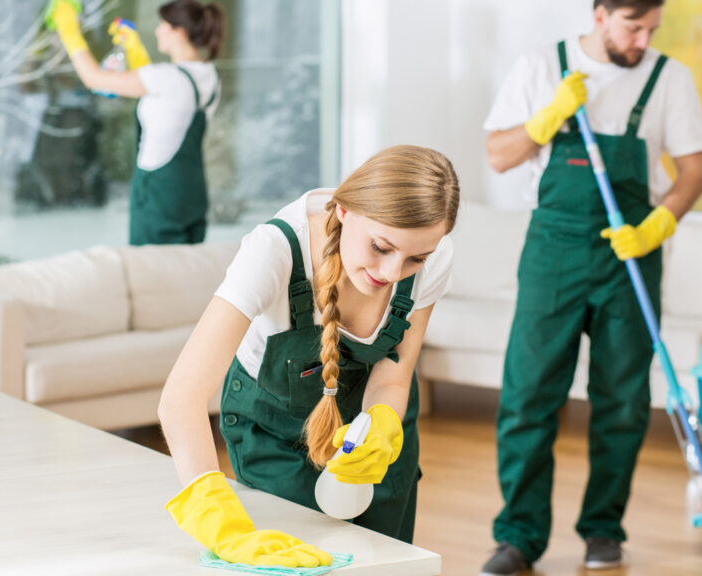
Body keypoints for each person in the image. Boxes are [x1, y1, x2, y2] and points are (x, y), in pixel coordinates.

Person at [480, 1, 702, 574]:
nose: (641, 42)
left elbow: (695, 171)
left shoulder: (668, 78)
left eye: (651, 29)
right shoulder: (542, 67)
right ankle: (519, 537)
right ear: (601, 14)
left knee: (624, 400)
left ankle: (604, 530)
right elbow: (497, 156)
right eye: (633, 28)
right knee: (528, 396)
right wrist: (545, 119)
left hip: (630, 255)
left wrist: (661, 222)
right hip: (552, 253)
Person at [156, 145, 460, 567]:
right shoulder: (274, 251)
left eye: (415, 259)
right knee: (298, 559)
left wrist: (384, 423)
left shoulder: (434, 256)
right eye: (380, 247)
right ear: (345, 210)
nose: (392, 272)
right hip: (278, 429)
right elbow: (181, 398)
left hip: (371, 434)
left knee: (383, 564)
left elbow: (394, 371)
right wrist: (216, 519)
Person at [48, 0, 223, 245]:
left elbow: (94, 79)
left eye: (163, 25)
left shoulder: (166, 78)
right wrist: (133, 48)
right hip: (192, 193)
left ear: (179, 32)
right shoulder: (209, 76)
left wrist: (69, 31)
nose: (157, 30)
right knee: (185, 270)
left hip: (158, 194)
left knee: (151, 273)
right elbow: (167, 102)